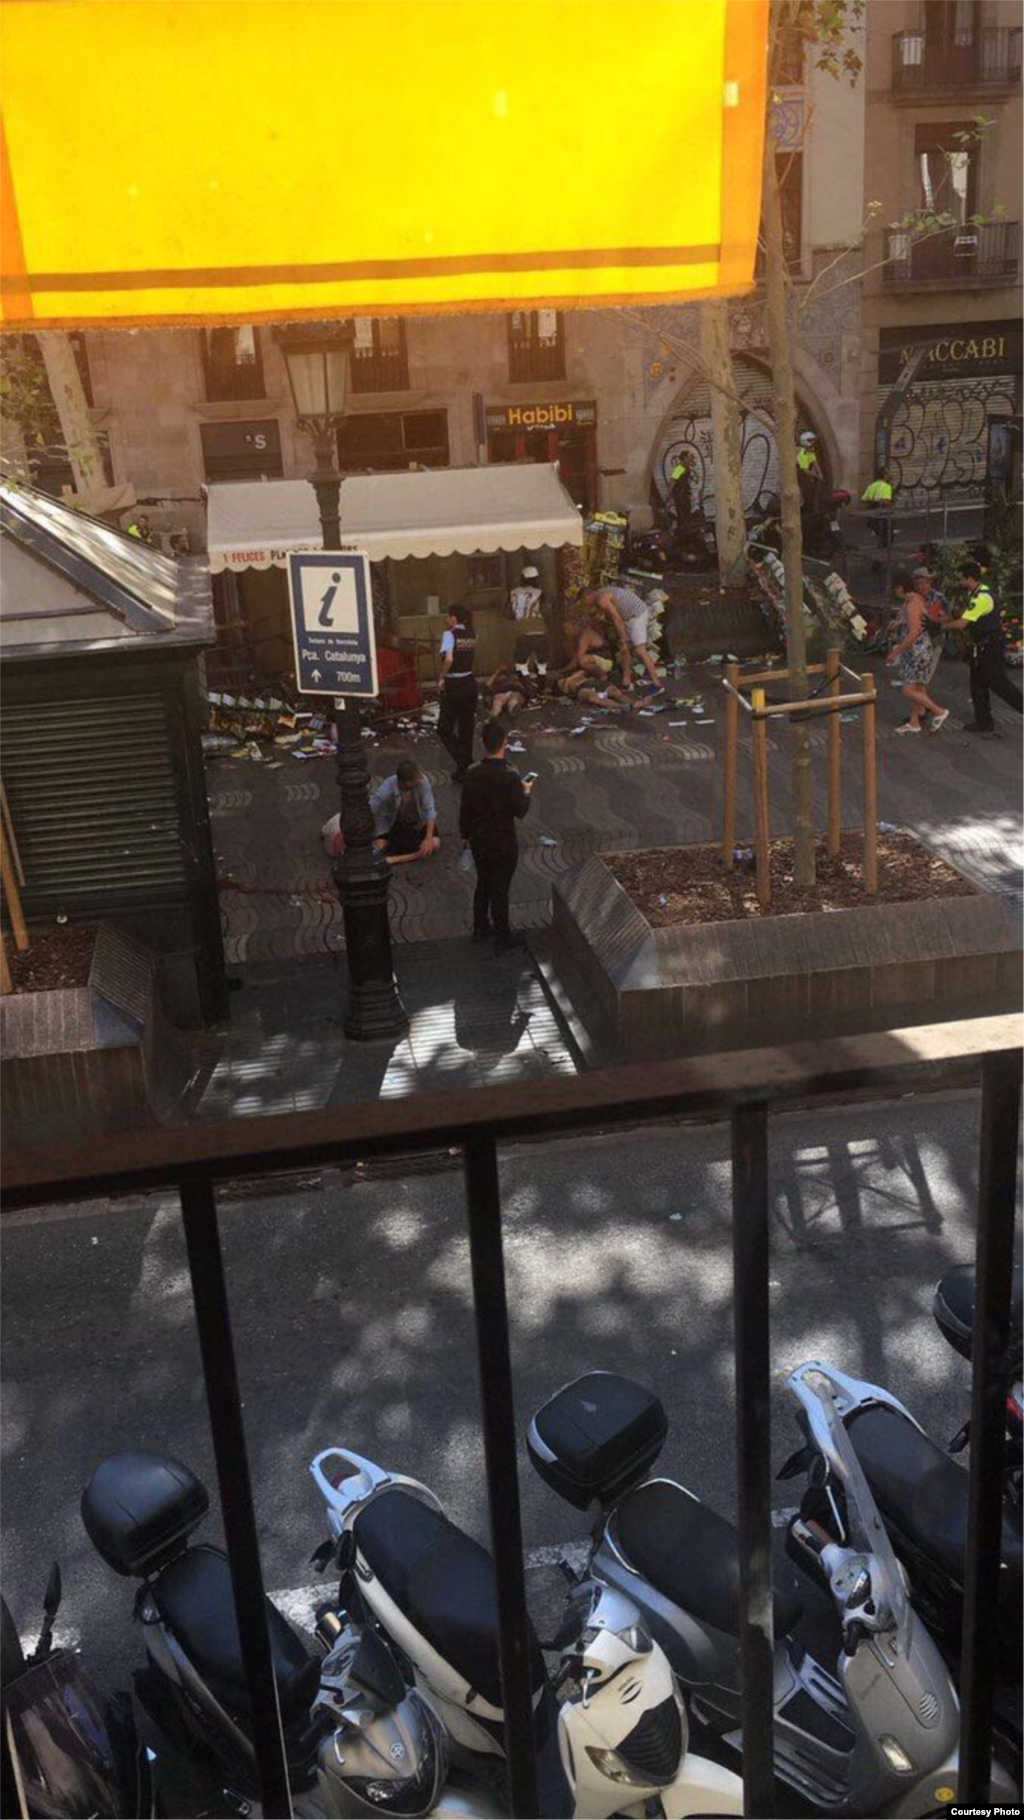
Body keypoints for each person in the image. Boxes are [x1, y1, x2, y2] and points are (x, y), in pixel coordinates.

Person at [459, 717, 533, 953]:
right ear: (505, 742)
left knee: (483, 883)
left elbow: (465, 808)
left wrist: (466, 835)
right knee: (500, 887)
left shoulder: (472, 772)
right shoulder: (510, 775)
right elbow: (520, 809)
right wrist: (526, 792)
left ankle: (480, 928)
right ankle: (503, 935)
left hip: (479, 840)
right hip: (502, 840)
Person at [943, 558, 1024, 737]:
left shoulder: (981, 597)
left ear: (969, 578)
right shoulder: (977, 593)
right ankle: (984, 722)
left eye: (961, 578)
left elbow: (962, 623)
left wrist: (940, 626)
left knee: (999, 684)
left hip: (990, 646)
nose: (959, 581)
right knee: (977, 684)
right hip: (981, 646)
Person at [886, 572, 949, 734]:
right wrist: (899, 622)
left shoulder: (913, 602)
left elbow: (914, 632)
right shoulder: (916, 599)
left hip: (917, 651)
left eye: (895, 589)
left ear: (900, 588)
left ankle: (939, 711)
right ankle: (915, 723)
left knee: (909, 689)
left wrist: (896, 652)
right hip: (920, 649)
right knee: (919, 688)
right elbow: (917, 619)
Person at [585, 583, 664, 698]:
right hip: (628, 616)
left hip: (636, 614)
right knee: (624, 649)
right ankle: (626, 683)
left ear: (588, 595)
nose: (585, 604)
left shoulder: (601, 599)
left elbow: (617, 618)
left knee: (640, 650)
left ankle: (657, 685)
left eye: (584, 601)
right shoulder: (600, 593)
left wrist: (623, 637)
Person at [370, 759, 440, 866]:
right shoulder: (387, 788)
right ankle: (409, 856)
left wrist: (428, 838)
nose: (421, 779)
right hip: (396, 824)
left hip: (418, 822)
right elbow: (373, 804)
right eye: (416, 778)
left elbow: (430, 809)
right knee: (381, 845)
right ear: (407, 782)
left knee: (434, 843)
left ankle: (395, 858)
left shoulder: (423, 782)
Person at [437, 604, 477, 782]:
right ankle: (464, 768)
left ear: (454, 618)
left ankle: (465, 762)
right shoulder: (472, 633)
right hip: (469, 682)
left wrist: (441, 677)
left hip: (454, 682)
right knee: (466, 727)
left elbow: (449, 659)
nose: (446, 620)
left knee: (444, 727)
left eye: (448, 616)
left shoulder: (449, 634)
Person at [911, 565, 950, 689]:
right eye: (917, 584)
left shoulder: (938, 598)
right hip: (918, 640)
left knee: (924, 678)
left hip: (934, 640)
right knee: (918, 678)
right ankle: (922, 706)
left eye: (923, 583)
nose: (920, 587)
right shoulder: (915, 597)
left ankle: (922, 706)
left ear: (929, 583)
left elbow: (948, 618)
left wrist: (934, 620)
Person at [861, 466, 894, 549]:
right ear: (884, 475)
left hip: (871, 515)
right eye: (888, 473)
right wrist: (891, 508)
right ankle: (885, 553)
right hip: (883, 514)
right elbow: (886, 502)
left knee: (880, 533)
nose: (890, 475)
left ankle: (881, 547)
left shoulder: (872, 485)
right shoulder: (886, 486)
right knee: (888, 534)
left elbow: (864, 500)